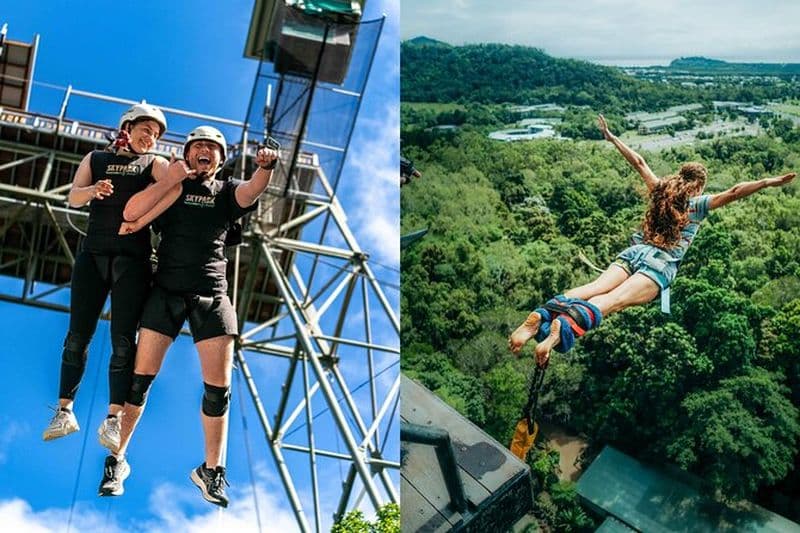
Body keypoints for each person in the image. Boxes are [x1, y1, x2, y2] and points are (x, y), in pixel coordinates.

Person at [509, 114, 796, 366]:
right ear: (699, 185)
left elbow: (640, 161)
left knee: (592, 288)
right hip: (658, 267)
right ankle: (562, 329)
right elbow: (734, 191)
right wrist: (768, 182)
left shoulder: (659, 189)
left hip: (634, 253)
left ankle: (537, 319)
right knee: (611, 302)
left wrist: (611, 138)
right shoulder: (697, 205)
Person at [96, 126, 278, 505]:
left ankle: (211, 471)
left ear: (221, 158)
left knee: (218, 389)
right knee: (139, 381)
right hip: (165, 292)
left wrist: (267, 168)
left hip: (211, 296)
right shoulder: (173, 185)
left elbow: (252, 190)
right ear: (187, 153)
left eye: (212, 148)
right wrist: (166, 179)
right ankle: (117, 459)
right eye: (198, 147)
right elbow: (137, 208)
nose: (204, 152)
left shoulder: (227, 192)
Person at [42, 104, 189, 452]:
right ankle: (64, 411)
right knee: (77, 335)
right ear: (127, 127)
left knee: (124, 340)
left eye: (155, 133)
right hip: (93, 255)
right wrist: (93, 191)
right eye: (145, 129)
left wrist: (140, 222)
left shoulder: (155, 163)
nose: (149, 136)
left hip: (133, 261)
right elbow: (74, 198)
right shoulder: (95, 159)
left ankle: (113, 417)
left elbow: (176, 190)